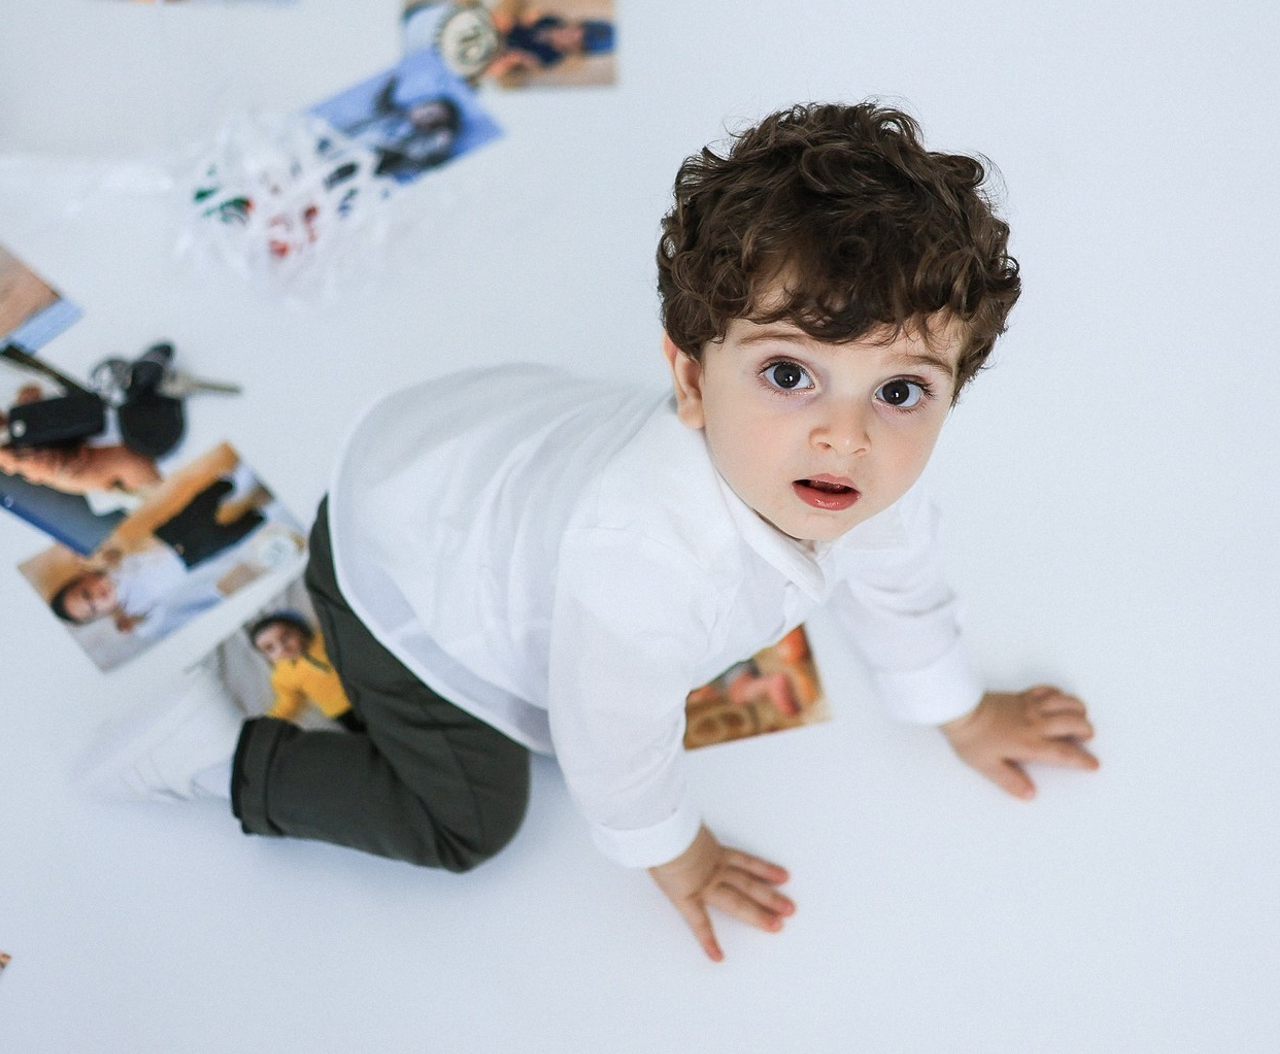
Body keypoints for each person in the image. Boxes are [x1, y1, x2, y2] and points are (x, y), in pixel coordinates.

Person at [88, 103, 1097, 961]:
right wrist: (677, 852)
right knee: (470, 820)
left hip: (474, 462)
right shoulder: (643, 566)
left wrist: (960, 711)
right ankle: (222, 757)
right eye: (789, 374)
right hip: (404, 560)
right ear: (691, 376)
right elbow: (611, 745)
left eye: (901, 389)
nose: (847, 434)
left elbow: (898, 581)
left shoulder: (858, 472)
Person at [51, 475, 267, 641]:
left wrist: (93, 558)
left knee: (199, 505)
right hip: (188, 559)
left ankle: (231, 481)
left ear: (85, 578)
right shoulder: (133, 607)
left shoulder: (109, 568)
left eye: (87, 593)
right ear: (102, 614)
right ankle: (259, 514)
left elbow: (113, 550)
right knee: (229, 537)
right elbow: (156, 618)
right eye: (94, 608)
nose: (98, 599)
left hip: (167, 536)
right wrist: (135, 624)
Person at [247, 610, 360, 730]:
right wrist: (269, 721)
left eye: (285, 637)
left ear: (300, 630)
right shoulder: (282, 676)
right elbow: (289, 701)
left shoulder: (324, 639)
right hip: (341, 710)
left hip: (361, 689)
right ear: (265, 655)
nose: (282, 648)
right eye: (270, 648)